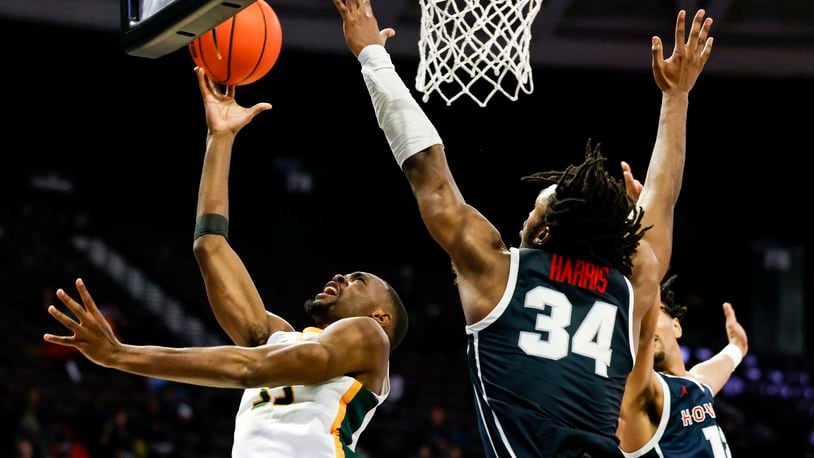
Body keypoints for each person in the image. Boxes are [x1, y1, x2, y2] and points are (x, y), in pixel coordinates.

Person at [331, 0, 713, 455]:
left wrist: (373, 56)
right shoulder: (629, 289)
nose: (525, 217)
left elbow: (428, 173)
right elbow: (659, 204)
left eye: (534, 209)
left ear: (545, 233)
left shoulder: (499, 275)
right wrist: (677, 97)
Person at [43, 67, 409, 458]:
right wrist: (220, 138)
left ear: (380, 317)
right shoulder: (277, 336)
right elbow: (210, 247)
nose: (341, 275)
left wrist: (121, 355)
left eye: (358, 280)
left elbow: (249, 369)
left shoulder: (371, 339)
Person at [617, 275, 747, 457]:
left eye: (652, 314)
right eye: (639, 318)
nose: (644, 322)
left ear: (676, 326)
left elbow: (722, 362)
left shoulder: (698, 384)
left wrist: (737, 346)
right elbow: (641, 331)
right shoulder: (642, 392)